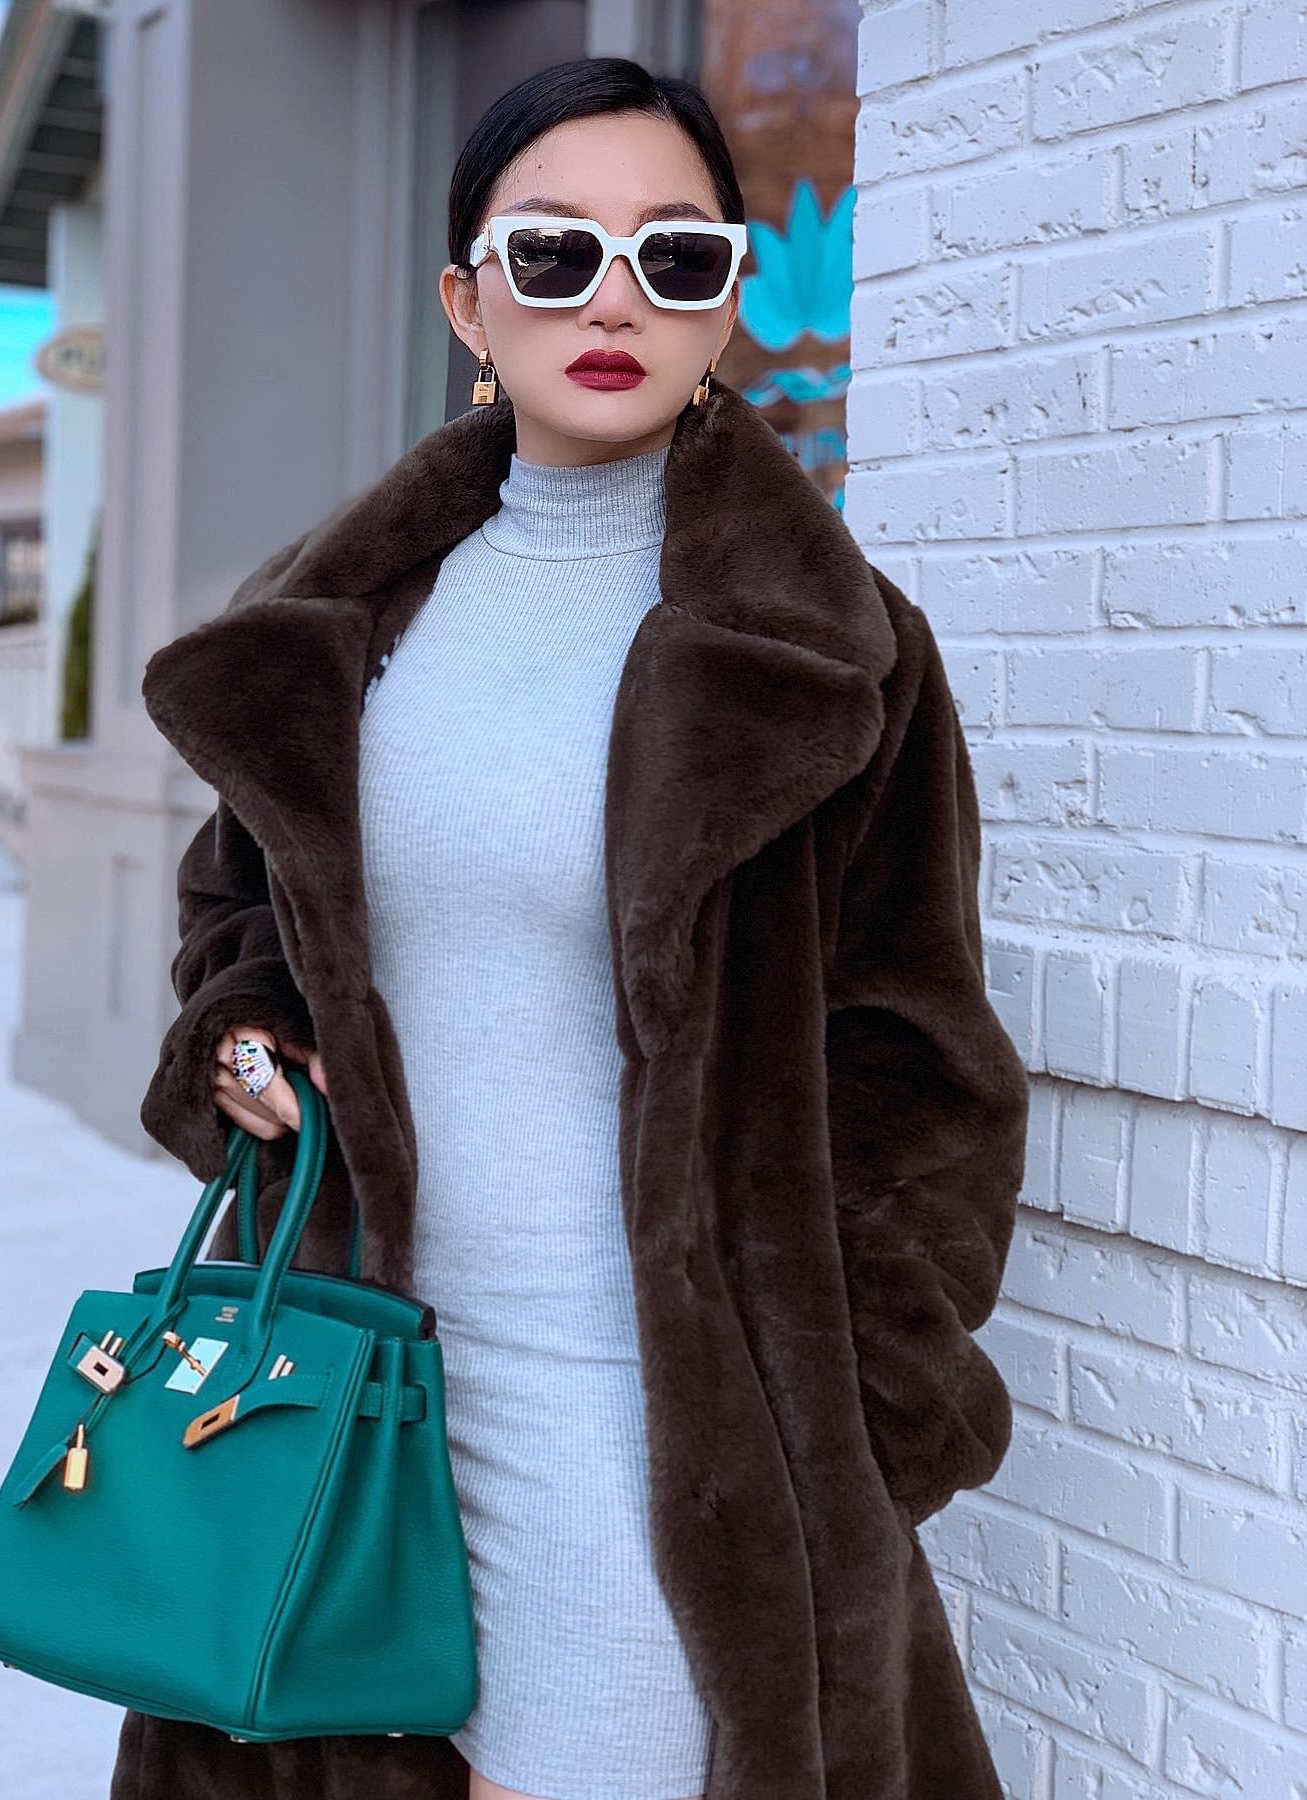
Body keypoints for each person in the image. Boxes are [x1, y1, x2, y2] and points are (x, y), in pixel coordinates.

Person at [119, 53, 1030, 1800]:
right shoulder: (330, 621)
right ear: (467, 301)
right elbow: (243, 911)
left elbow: (923, 1068)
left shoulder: (835, 655)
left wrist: (864, 1413)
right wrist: (241, 1035)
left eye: (676, 256)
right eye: (553, 252)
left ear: (728, 303)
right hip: (345, 1390)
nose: (615, 301)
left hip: (663, 1427)